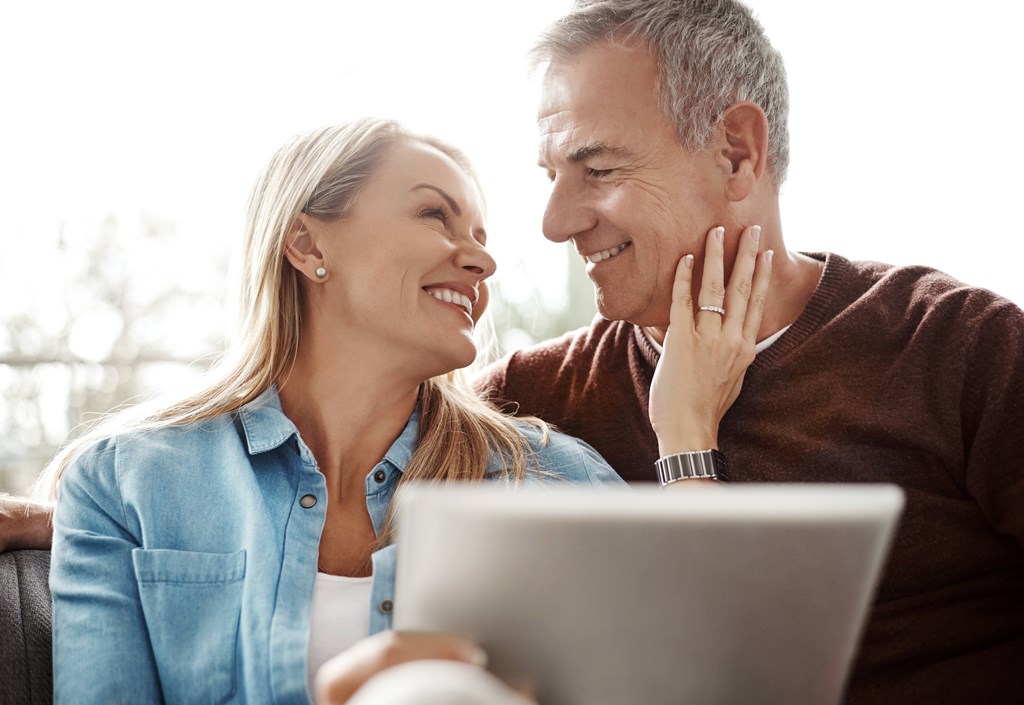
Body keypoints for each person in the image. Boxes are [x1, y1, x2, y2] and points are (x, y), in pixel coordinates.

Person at [30, 117, 772, 705]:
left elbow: (703, 682)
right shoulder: (125, 485)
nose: (481, 261)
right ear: (306, 242)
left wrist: (686, 434)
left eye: (480, 238)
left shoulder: (553, 482)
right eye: (434, 215)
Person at [473, 1, 1024, 703]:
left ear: (737, 153)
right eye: (550, 175)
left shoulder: (958, 346)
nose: (555, 223)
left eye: (599, 168)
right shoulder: (529, 405)